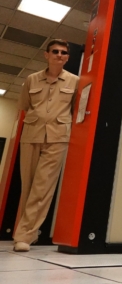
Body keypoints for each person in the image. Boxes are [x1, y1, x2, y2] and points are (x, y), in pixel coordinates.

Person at [13, 39, 79, 252]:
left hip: (57, 138)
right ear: (47, 55)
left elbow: (76, 109)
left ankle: (24, 235)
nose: (59, 55)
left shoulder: (75, 81)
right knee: (28, 186)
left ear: (67, 58)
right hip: (31, 135)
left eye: (63, 52)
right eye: (55, 51)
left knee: (42, 188)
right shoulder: (32, 79)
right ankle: (27, 231)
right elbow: (25, 106)